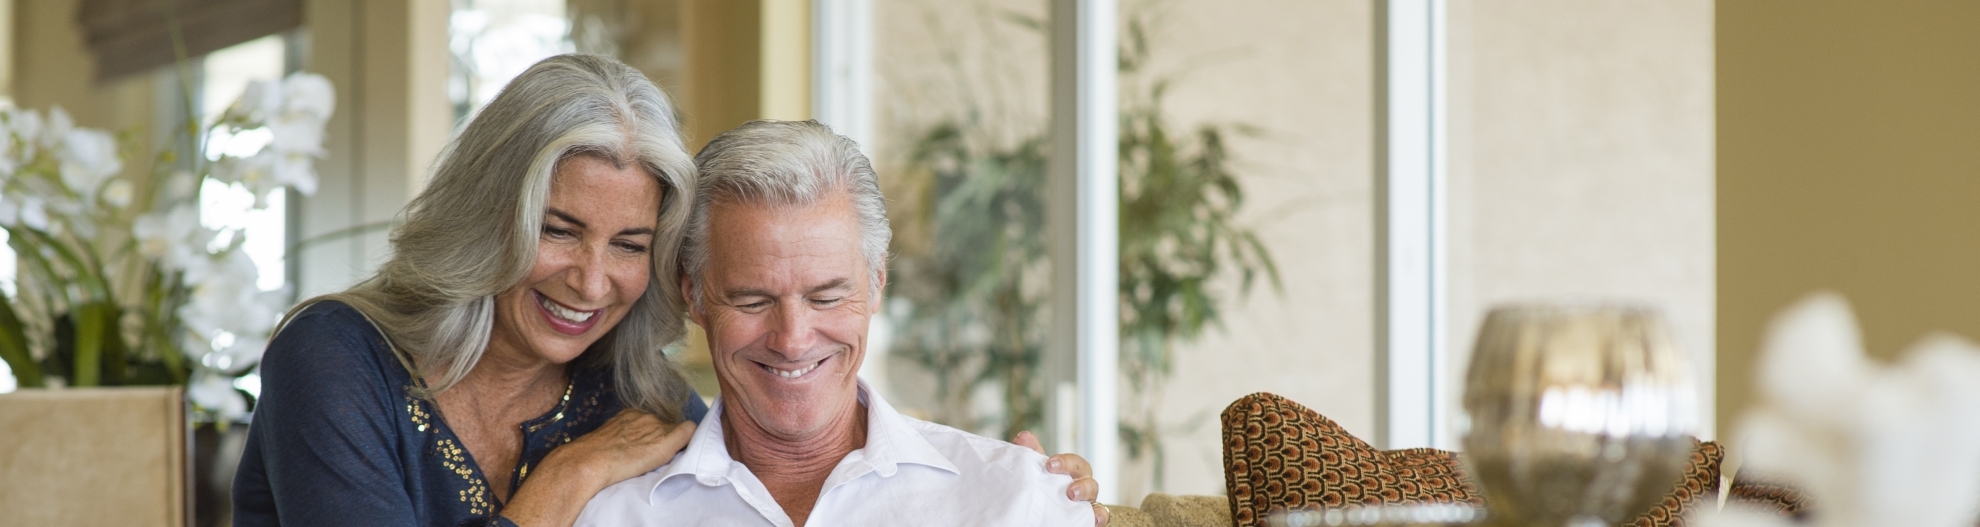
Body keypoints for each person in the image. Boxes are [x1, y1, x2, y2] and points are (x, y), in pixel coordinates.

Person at [232, 55, 1105, 527]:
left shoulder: (635, 402)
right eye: (559, 228)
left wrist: (1025, 489)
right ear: (491, 213)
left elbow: (784, 402)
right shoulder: (337, 358)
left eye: (631, 245)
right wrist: (568, 477)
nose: (590, 278)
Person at [575, 120, 1105, 526]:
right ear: (695, 296)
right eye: (753, 300)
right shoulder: (615, 514)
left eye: (827, 297)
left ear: (876, 283)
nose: (793, 339)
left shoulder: (1014, 499)